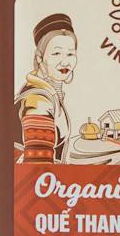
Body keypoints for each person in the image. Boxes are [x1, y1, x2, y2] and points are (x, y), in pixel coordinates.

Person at [16, 14, 79, 164]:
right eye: (56, 53)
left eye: (70, 53)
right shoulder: (38, 101)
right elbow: (38, 164)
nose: (65, 62)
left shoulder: (48, 93)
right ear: (39, 57)